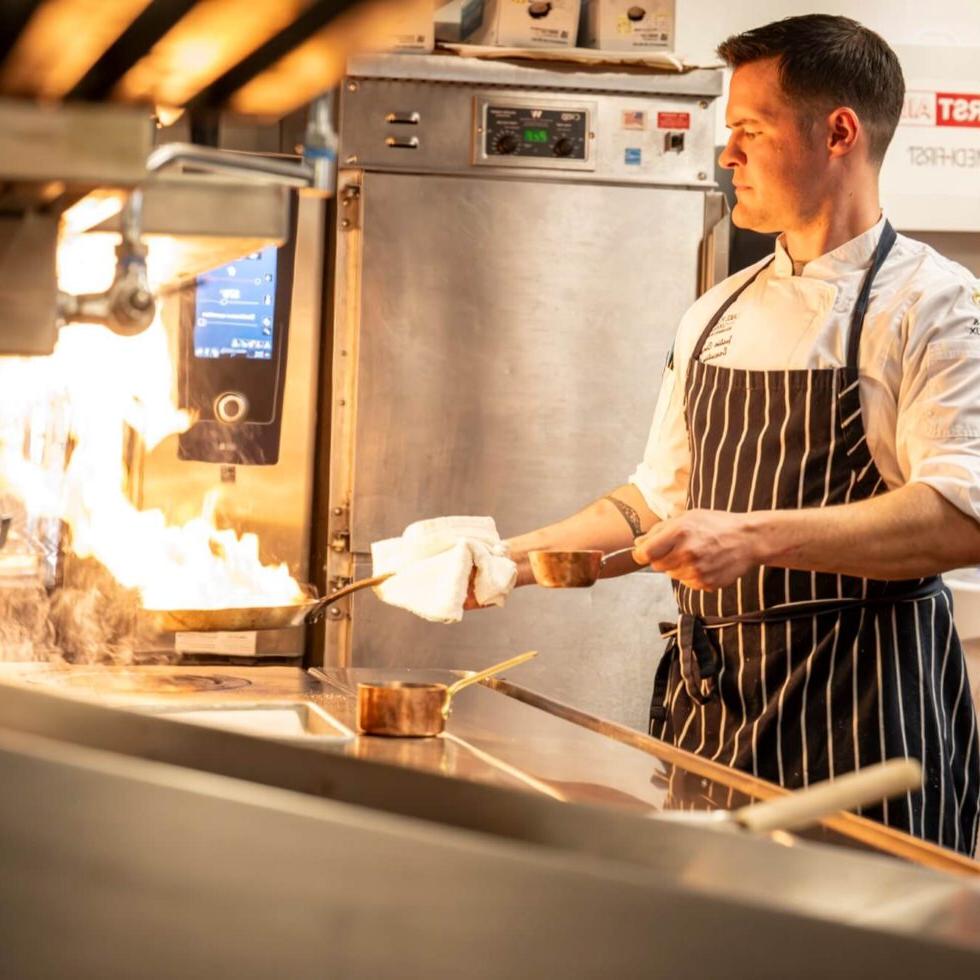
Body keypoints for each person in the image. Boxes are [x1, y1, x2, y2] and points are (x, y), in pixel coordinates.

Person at [495, 15, 980, 855]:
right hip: (716, 706)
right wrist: (502, 557)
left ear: (838, 133)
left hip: (863, 714)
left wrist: (752, 538)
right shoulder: (715, 310)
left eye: (749, 131)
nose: (728, 156)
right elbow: (655, 499)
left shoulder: (937, 307)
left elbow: (960, 517)